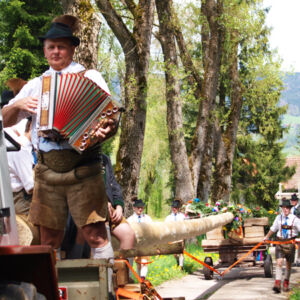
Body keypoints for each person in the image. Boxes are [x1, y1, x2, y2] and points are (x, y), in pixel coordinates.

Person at [2, 15, 117, 269]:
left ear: (72, 49)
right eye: (51, 46)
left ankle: (105, 287)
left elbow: (111, 116)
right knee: (49, 239)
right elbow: (5, 120)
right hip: (46, 171)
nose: (55, 51)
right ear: (44, 50)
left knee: (95, 234)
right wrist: (18, 104)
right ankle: (52, 290)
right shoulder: (34, 85)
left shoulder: (90, 77)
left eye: (61, 46)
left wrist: (106, 130)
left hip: (83, 167)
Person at [62, 153, 135, 259]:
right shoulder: (74, 158)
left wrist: (119, 206)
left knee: (128, 234)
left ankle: (123, 273)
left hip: (110, 210)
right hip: (89, 210)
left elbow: (113, 184)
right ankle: (104, 273)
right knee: (99, 234)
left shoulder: (104, 159)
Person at [264, 198, 300, 293]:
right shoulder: (278, 218)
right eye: (284, 208)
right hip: (280, 243)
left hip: (290, 245)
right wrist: (266, 237)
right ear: (282, 208)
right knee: (279, 262)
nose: (285, 210)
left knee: (288, 265)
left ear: (290, 208)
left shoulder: (295, 220)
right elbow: (273, 228)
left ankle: (286, 282)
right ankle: (277, 283)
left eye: (287, 208)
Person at [6, 117, 34, 215]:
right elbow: (30, 186)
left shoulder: (26, 148)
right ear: (31, 126)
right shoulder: (21, 148)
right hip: (22, 200)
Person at [127, 199, 152, 280]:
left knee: (144, 262)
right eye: (138, 207)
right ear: (134, 208)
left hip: (144, 243)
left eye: (142, 207)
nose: (140, 209)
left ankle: (142, 279)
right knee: (136, 264)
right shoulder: (129, 220)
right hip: (133, 244)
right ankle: (136, 280)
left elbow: (152, 230)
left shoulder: (147, 218)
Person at [165, 200, 185, 270]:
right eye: (173, 207)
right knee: (175, 253)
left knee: (181, 251)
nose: (174, 209)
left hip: (180, 235)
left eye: (176, 207)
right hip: (172, 236)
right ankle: (178, 261)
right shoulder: (168, 218)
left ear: (178, 208)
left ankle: (181, 266)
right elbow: (165, 227)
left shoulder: (182, 217)